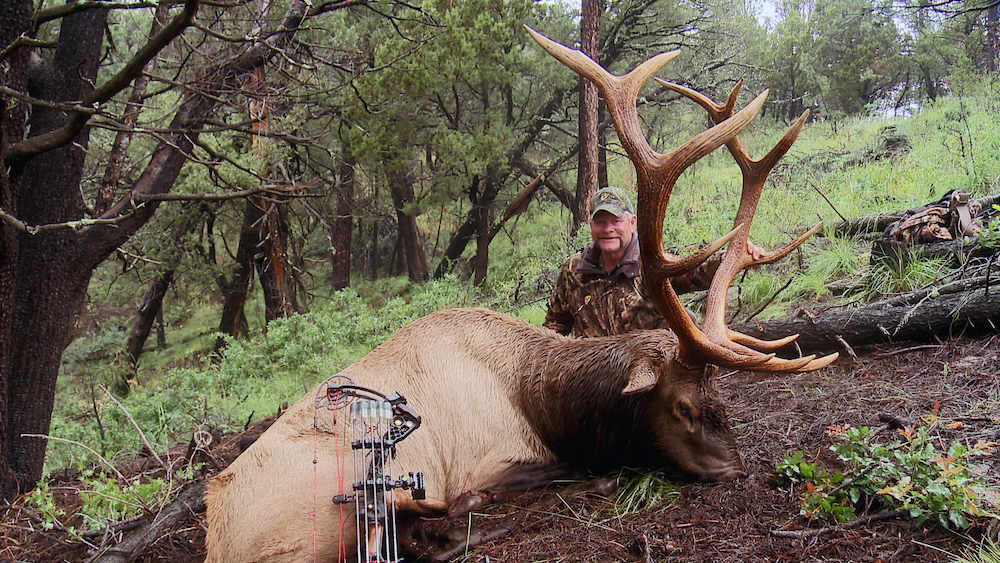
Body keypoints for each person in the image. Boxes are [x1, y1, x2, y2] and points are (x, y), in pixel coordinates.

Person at [543, 186, 763, 338]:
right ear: (591, 225)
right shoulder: (573, 269)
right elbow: (555, 325)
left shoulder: (653, 262)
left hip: (651, 379)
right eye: (600, 222)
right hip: (595, 381)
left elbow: (701, 272)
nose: (608, 229)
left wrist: (733, 256)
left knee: (689, 320)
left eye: (615, 221)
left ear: (632, 223)